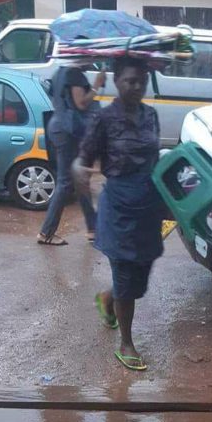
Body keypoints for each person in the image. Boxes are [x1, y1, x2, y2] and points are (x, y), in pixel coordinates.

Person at [74, 57, 164, 372]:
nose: (136, 86)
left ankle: (107, 298)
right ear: (116, 81)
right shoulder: (104, 119)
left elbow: (156, 160)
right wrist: (80, 173)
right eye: (129, 80)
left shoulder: (151, 116)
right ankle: (126, 343)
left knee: (140, 276)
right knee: (127, 276)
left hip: (148, 205)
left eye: (141, 80)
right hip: (120, 207)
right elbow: (82, 157)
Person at [37, 66, 105, 246]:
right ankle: (46, 232)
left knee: (80, 179)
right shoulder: (74, 73)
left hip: (60, 126)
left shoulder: (59, 72)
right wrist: (96, 86)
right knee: (66, 182)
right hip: (69, 131)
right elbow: (81, 103)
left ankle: (93, 229)